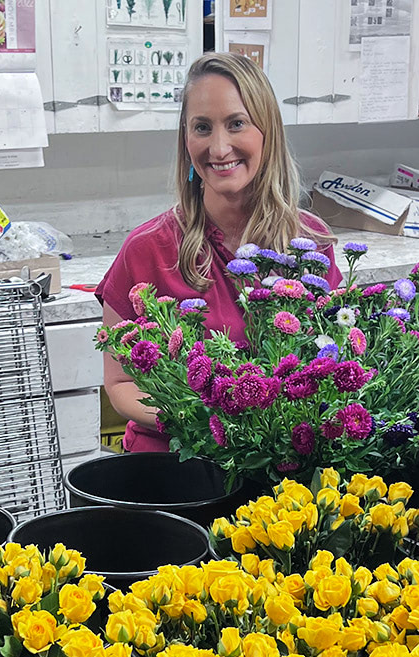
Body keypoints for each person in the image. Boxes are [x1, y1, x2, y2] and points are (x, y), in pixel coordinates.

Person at [97, 52, 343, 453]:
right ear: (186, 139)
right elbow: (120, 384)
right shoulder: (146, 251)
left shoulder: (311, 247)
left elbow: (327, 366)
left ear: (268, 132)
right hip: (171, 469)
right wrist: (200, 418)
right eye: (202, 127)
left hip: (275, 470)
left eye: (236, 123)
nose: (218, 146)